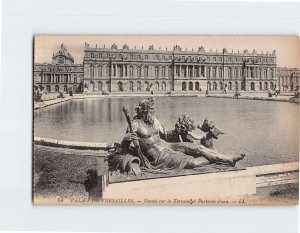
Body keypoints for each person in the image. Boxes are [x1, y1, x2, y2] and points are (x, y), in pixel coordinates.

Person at [121, 98, 245, 173]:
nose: (152, 113)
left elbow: (166, 134)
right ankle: (220, 160)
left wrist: (178, 130)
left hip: (168, 146)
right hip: (159, 157)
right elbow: (123, 149)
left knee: (198, 148)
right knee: (193, 163)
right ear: (143, 111)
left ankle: (228, 158)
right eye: (150, 110)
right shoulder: (134, 125)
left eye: (152, 110)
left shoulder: (153, 120)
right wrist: (125, 140)